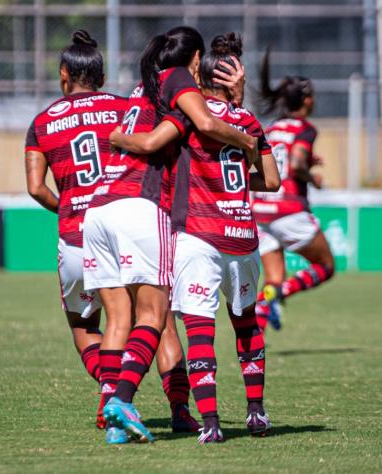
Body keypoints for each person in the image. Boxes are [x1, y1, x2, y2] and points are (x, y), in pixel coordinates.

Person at [82, 26, 257, 444]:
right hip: (141, 207)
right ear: (195, 58)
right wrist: (247, 139)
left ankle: (119, 422)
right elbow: (205, 124)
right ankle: (122, 400)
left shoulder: (143, 88)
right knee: (154, 316)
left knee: (120, 318)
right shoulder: (176, 77)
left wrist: (236, 103)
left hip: (99, 210)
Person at [24, 30, 198, 445]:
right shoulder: (127, 107)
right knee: (159, 323)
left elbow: (35, 188)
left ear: (64, 74)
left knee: (87, 324)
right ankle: (177, 410)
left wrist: (68, 206)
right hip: (134, 215)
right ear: (101, 75)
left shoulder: (43, 121)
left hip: (79, 232)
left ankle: (111, 396)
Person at [251, 49, 335, 332]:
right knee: (325, 266)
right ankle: (275, 297)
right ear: (308, 101)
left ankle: (255, 341)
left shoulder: (272, 128)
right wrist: (312, 177)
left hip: (260, 209)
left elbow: (278, 157)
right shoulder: (305, 129)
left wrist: (306, 162)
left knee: (272, 279)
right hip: (289, 209)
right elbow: (296, 162)